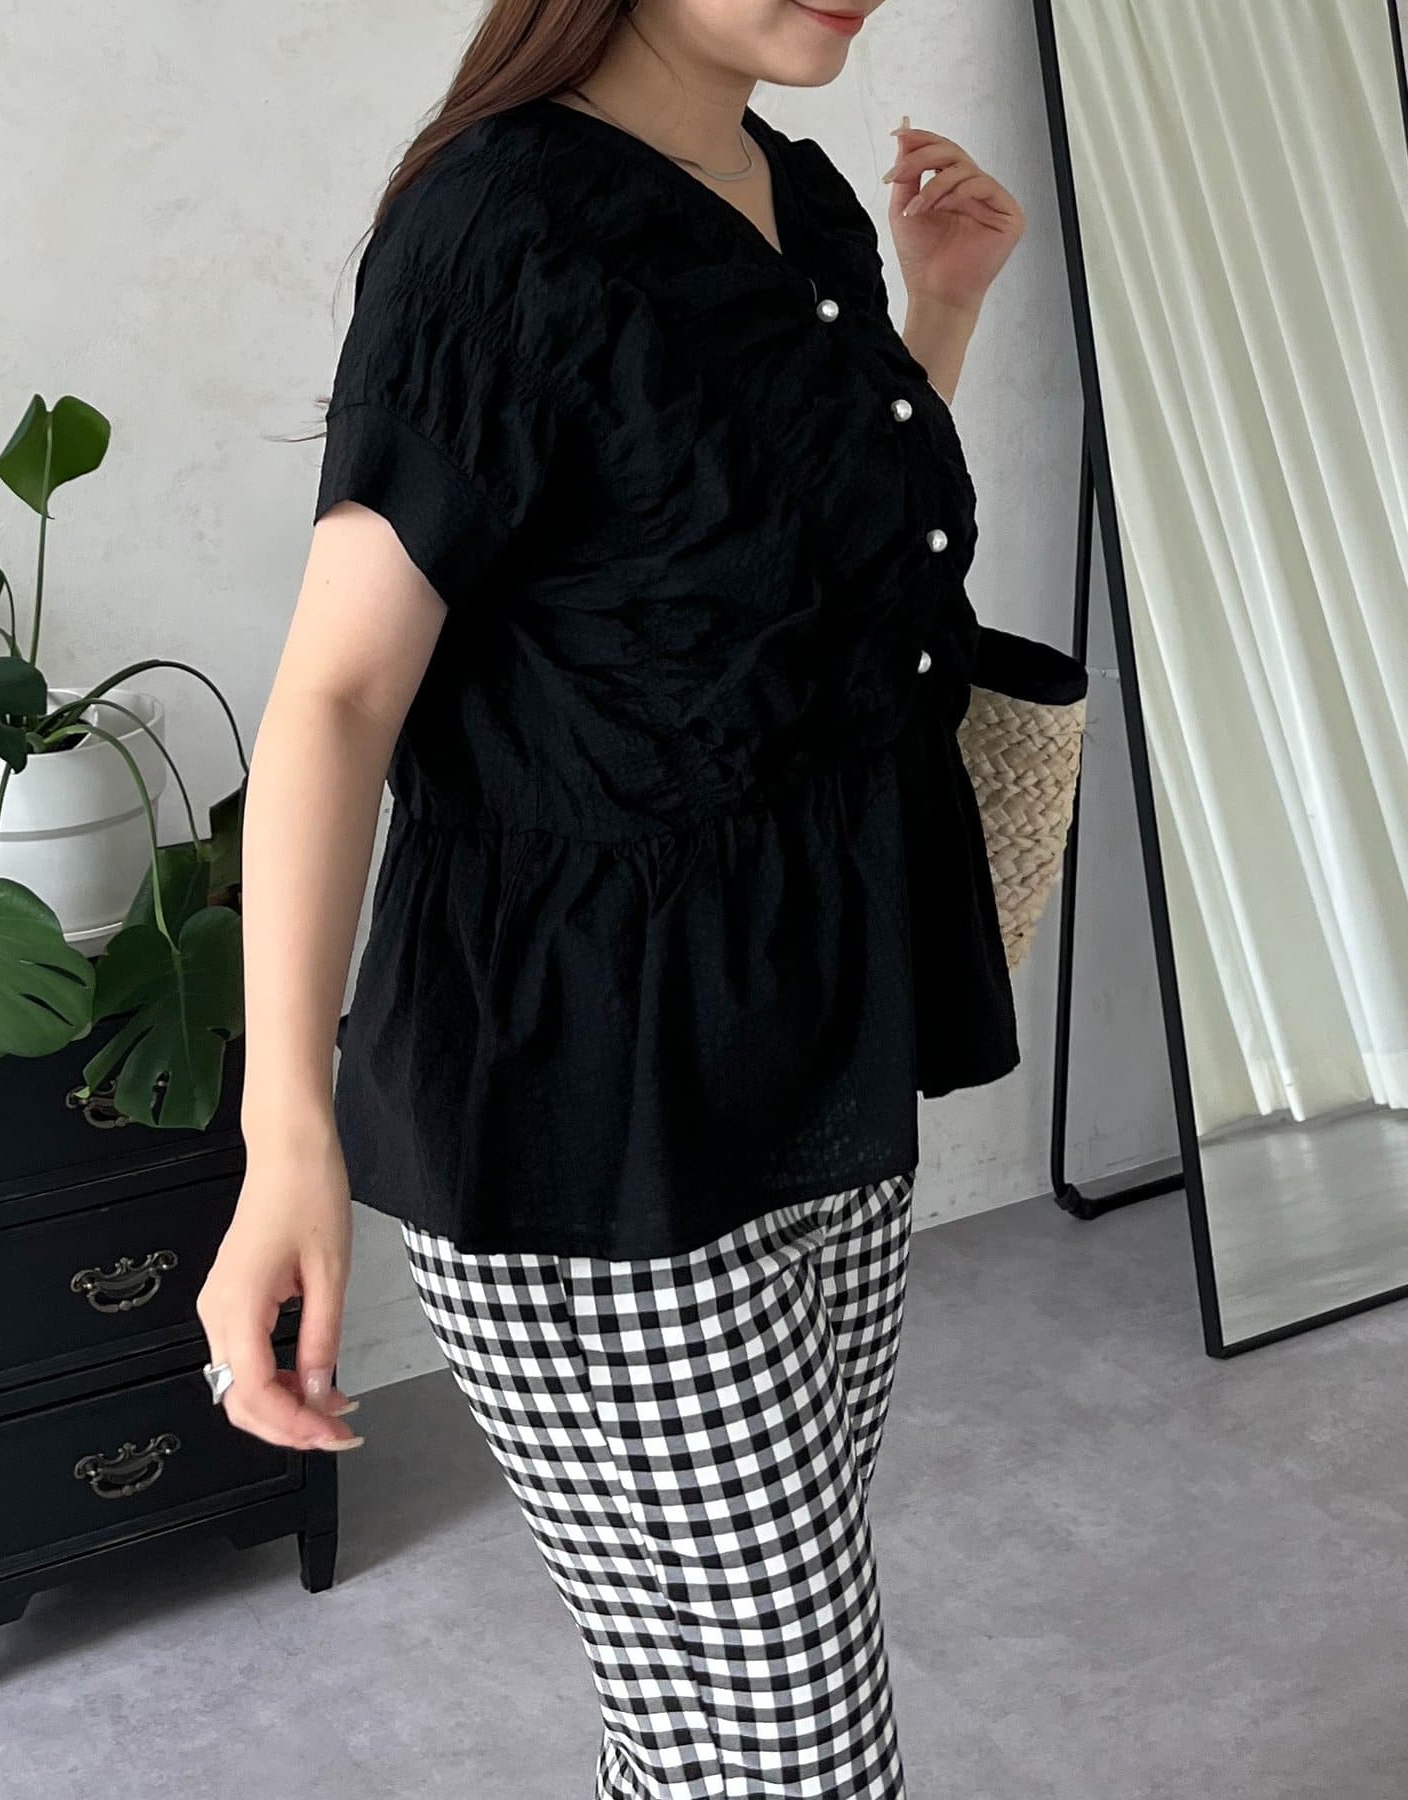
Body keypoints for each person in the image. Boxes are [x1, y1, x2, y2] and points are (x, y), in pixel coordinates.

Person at [197, 0, 1027, 1792]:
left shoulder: (798, 200)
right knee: (801, 1741)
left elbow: (793, 571)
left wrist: (939, 311)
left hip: (815, 1050)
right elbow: (337, 697)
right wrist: (285, 1139)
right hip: (586, 1108)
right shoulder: (499, 228)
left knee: (699, 1713)